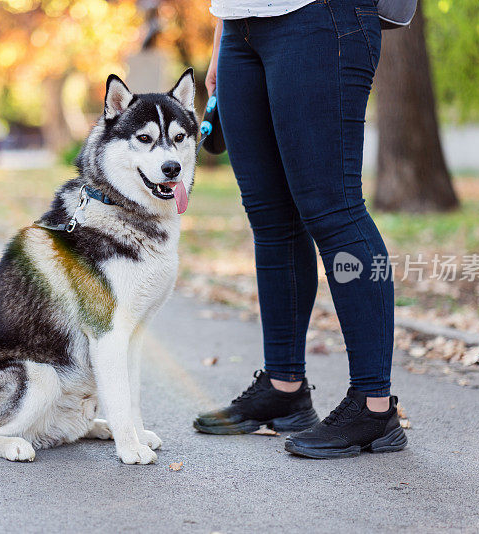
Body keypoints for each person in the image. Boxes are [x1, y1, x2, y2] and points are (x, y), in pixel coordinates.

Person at [193, 0, 408, 458]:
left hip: (320, 17)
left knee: (335, 210)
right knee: (270, 217)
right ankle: (283, 385)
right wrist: (221, 31)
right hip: (238, 28)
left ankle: (374, 407)